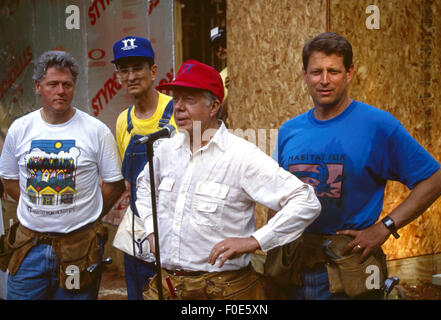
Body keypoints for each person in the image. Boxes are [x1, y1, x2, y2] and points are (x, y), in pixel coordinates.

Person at [274, 32, 441, 300]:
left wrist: (384, 227)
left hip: (350, 271)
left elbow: (434, 180)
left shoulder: (377, 125)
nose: (324, 80)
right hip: (294, 270)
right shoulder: (289, 131)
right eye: (316, 71)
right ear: (304, 75)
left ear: (349, 73)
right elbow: (278, 196)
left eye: (333, 71)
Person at [135, 59, 321, 300]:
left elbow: (305, 201)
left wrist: (255, 240)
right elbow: (143, 186)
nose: (178, 107)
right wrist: (151, 229)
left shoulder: (240, 156)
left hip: (223, 291)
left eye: (189, 99)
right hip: (166, 286)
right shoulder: (165, 150)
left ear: (213, 107)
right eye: (176, 98)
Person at [0, 50, 125, 300]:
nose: (61, 91)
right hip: (28, 249)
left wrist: (87, 215)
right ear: (38, 86)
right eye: (52, 84)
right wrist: (38, 206)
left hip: (78, 250)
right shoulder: (20, 129)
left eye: (67, 84)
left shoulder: (96, 131)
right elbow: (9, 180)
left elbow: (115, 185)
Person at [110, 36, 176, 300]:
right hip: (138, 236)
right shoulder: (122, 122)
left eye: (138, 67)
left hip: (176, 232)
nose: (131, 76)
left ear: (153, 71)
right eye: (124, 70)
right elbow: (126, 182)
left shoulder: (176, 112)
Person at [210, 27, 230, 125]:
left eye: (223, 44)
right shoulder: (220, 77)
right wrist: (231, 92)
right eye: (216, 48)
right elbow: (219, 115)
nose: (220, 49)